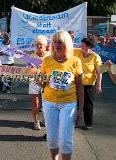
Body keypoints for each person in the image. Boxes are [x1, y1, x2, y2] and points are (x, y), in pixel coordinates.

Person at [40, 31, 84, 160]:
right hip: (49, 103)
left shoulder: (75, 61)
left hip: (68, 104)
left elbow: (80, 87)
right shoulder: (46, 60)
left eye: (60, 42)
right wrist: (39, 80)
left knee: (65, 140)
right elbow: (42, 83)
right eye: (54, 42)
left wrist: (80, 110)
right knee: (52, 139)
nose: (56, 45)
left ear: (67, 44)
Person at [74, 38, 102, 130]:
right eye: (80, 45)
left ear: (89, 46)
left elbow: (99, 72)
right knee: (76, 103)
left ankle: (88, 123)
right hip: (78, 83)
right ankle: (76, 121)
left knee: (88, 104)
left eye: (82, 45)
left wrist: (99, 84)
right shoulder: (78, 52)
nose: (80, 47)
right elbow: (67, 49)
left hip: (89, 84)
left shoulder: (95, 57)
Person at [28, 35, 48, 130]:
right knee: (35, 104)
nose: (39, 47)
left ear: (45, 46)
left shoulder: (50, 55)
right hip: (34, 81)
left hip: (46, 82)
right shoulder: (32, 56)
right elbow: (29, 70)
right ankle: (36, 121)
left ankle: (46, 119)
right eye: (37, 45)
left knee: (47, 103)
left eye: (41, 45)